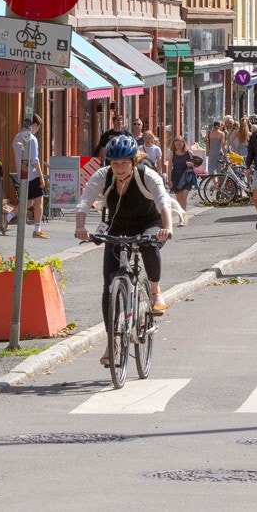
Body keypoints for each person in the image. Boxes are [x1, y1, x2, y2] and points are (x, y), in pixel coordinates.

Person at [75, 135, 174, 366]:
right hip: (117, 225)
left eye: (124, 163)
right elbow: (84, 200)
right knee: (108, 285)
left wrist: (167, 227)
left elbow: (163, 201)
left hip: (149, 223)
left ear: (133, 161)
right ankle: (112, 342)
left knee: (149, 246)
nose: (119, 168)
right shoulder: (103, 176)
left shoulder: (147, 175)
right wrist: (80, 226)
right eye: (115, 163)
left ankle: (155, 290)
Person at [11, 115, 47, 238]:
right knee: (39, 201)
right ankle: (37, 230)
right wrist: (41, 177)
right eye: (38, 127)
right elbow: (34, 160)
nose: (37, 130)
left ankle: (8, 217)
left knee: (28, 202)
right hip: (32, 174)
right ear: (34, 125)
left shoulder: (17, 137)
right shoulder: (31, 139)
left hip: (22, 174)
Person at [166, 134, 203, 211]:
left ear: (183, 144)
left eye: (180, 144)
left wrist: (191, 164)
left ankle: (184, 215)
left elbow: (196, 163)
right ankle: (181, 214)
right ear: (174, 144)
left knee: (184, 196)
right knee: (179, 199)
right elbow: (169, 167)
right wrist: (169, 180)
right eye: (176, 144)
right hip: (176, 177)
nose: (178, 146)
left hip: (186, 177)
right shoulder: (172, 153)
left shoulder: (188, 152)